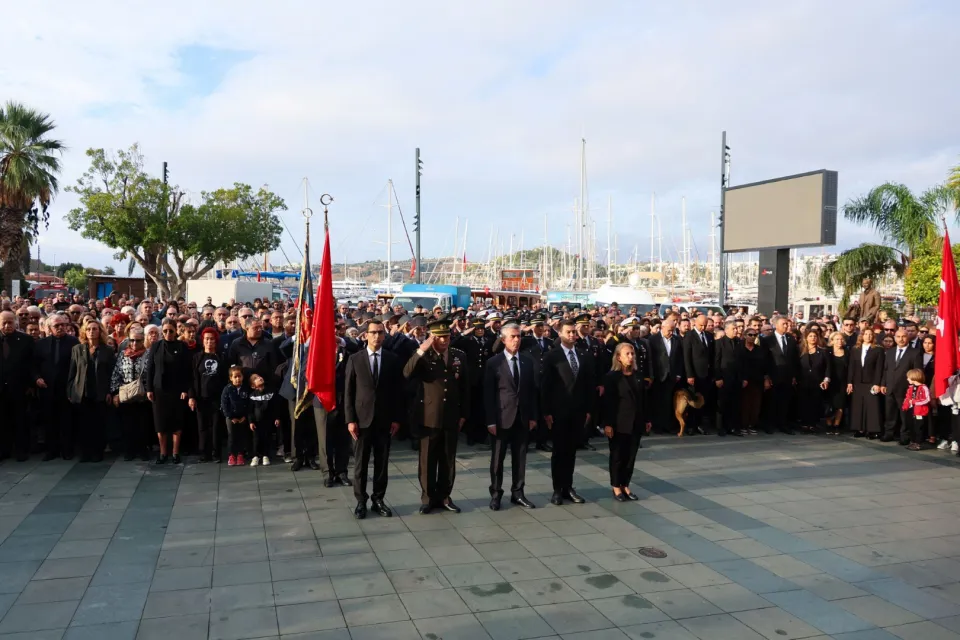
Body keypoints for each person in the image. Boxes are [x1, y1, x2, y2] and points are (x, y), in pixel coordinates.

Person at [403, 316, 469, 514]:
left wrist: (464, 413)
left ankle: (445, 496)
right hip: (429, 417)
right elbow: (407, 372)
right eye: (439, 337)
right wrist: (422, 349)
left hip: (451, 415)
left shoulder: (458, 355)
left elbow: (465, 387)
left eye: (446, 336)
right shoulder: (424, 356)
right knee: (427, 460)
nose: (443, 340)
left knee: (448, 459)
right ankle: (428, 498)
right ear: (432, 337)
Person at [344, 319, 404, 519]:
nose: (377, 336)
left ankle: (378, 499)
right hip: (361, 420)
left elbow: (398, 392)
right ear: (366, 335)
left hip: (384, 420)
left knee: (382, 463)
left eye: (380, 332)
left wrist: (396, 418)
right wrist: (350, 420)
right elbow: (348, 392)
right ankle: (361, 501)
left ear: (384, 335)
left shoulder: (392, 359)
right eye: (373, 332)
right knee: (360, 464)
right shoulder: (355, 359)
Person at [484, 322, 538, 511]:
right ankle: (496, 494)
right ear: (503, 339)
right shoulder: (494, 363)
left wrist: (533, 416)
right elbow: (488, 394)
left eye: (518, 336)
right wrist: (490, 421)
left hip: (522, 417)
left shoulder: (527, 361)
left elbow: (532, 391)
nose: (516, 340)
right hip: (501, 417)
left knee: (520, 458)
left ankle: (518, 492)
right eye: (512, 336)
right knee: (497, 459)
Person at [541, 319, 594, 505]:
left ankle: (568, 487)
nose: (572, 335)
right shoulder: (552, 356)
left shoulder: (583, 355)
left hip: (578, 411)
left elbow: (589, 384)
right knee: (559, 451)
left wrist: (589, 409)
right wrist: (546, 411)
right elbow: (545, 386)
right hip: (558, 412)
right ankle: (557, 489)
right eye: (568, 332)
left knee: (571, 451)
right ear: (560, 333)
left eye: (573, 332)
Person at [603, 342, 650, 501]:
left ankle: (625, 484)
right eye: (627, 354)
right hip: (619, 422)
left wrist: (647, 419)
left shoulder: (638, 375)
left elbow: (644, 399)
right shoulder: (612, 377)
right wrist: (608, 423)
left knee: (630, 457)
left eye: (632, 354)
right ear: (618, 357)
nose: (631, 357)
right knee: (617, 456)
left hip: (636, 421)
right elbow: (608, 402)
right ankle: (616, 486)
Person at [67, 320, 116, 462]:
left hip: (100, 392)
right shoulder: (77, 349)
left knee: (98, 424)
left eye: (94, 329)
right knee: (83, 424)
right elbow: (72, 372)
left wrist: (110, 392)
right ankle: (85, 453)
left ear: (100, 331)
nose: (91, 331)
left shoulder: (107, 350)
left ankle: (97, 452)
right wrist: (70, 391)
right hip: (82, 392)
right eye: (88, 329)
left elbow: (111, 373)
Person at [33, 313, 80, 460]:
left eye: (63, 325)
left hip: (66, 388)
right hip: (47, 387)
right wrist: (37, 378)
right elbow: (34, 365)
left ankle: (67, 450)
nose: (61, 328)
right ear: (49, 328)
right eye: (57, 326)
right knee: (49, 420)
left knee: (66, 420)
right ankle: (51, 450)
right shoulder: (41, 344)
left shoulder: (74, 342)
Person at [145, 318, 192, 464]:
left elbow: (187, 370)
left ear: (176, 331)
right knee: (160, 423)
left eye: (171, 331)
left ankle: (175, 453)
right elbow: (150, 368)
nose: (168, 333)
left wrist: (185, 389)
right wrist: (149, 389)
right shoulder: (156, 346)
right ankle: (163, 453)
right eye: (165, 331)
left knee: (177, 421)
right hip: (159, 390)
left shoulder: (182, 346)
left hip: (177, 390)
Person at [110, 325, 151, 461]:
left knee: (143, 425)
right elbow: (116, 373)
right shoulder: (123, 354)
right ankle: (130, 450)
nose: (134, 343)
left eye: (138, 340)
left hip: (143, 396)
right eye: (132, 340)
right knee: (128, 424)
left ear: (143, 340)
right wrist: (116, 392)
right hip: (126, 395)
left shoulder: (148, 354)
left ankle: (143, 450)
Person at [189, 327, 228, 462]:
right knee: (202, 426)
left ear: (216, 341)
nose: (209, 341)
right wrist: (192, 396)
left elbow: (225, 378)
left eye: (212, 339)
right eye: (207, 339)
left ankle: (216, 453)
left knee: (216, 426)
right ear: (203, 340)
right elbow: (192, 378)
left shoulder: (221, 356)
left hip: (217, 397)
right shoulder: (197, 357)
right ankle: (204, 453)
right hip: (201, 397)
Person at [0, 311, 34, 461]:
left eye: (10, 322)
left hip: (19, 388)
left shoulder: (26, 340)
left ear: (16, 322)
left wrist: (30, 384)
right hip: (1, 388)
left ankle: (21, 450)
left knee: (20, 420)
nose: (7, 325)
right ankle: (4, 450)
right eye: (4, 322)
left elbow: (31, 364)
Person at [881, 328, 922, 444]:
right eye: (898, 337)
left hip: (905, 389)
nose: (901, 339)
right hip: (890, 387)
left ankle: (905, 436)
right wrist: (883, 384)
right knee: (890, 412)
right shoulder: (890, 352)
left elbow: (917, 372)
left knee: (905, 415)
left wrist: (913, 388)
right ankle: (889, 433)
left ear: (908, 337)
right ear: (895, 338)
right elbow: (886, 369)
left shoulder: (915, 352)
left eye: (903, 336)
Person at [761, 316, 799, 435]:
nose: (786, 326)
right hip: (773, 376)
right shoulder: (768, 340)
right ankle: (769, 424)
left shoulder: (791, 339)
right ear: (776, 325)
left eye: (787, 324)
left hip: (787, 376)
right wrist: (766, 376)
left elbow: (794, 359)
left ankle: (783, 424)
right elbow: (764, 359)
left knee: (785, 401)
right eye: (784, 324)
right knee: (771, 401)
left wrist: (793, 375)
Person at [649, 311, 685, 434]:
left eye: (673, 330)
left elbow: (679, 358)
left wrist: (678, 374)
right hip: (658, 375)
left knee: (669, 402)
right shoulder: (653, 340)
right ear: (662, 328)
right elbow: (651, 359)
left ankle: (668, 425)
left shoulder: (676, 340)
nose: (671, 332)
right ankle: (658, 426)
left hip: (672, 376)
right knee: (657, 401)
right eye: (669, 330)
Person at [682, 314, 714, 434]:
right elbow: (687, 357)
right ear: (695, 323)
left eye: (705, 325)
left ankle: (700, 425)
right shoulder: (689, 336)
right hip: (694, 374)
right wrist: (689, 375)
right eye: (701, 325)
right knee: (693, 400)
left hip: (706, 374)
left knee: (703, 400)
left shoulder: (709, 335)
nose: (703, 328)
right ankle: (691, 425)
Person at [714, 320, 743, 436]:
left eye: (736, 328)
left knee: (735, 404)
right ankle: (721, 427)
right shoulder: (719, 343)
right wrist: (718, 377)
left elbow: (742, 361)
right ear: (726, 330)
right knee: (722, 403)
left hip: (736, 378)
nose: (736, 330)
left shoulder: (739, 342)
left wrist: (743, 377)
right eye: (733, 328)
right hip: (724, 378)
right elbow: (716, 361)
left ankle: (732, 427)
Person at [797, 330, 830, 432]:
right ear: (806, 338)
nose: (813, 338)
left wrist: (826, 379)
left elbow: (828, 367)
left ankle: (813, 423)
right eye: (810, 336)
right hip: (803, 381)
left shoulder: (823, 351)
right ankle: (804, 423)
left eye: (815, 336)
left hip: (817, 381)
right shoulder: (800, 350)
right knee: (804, 402)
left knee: (815, 402)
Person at [220, 365, 249, 466]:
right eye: (235, 377)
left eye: (239, 376)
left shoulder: (245, 388)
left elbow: (248, 403)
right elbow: (224, 404)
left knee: (241, 435)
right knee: (232, 436)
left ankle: (240, 454)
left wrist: (245, 416)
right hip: (231, 417)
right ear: (231, 378)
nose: (237, 379)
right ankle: (231, 455)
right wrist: (230, 417)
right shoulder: (227, 389)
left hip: (242, 417)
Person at [247, 373, 278, 466]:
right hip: (256, 422)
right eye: (256, 378)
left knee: (267, 437)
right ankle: (255, 456)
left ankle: (265, 455)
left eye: (259, 376)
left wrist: (277, 418)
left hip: (268, 420)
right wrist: (251, 422)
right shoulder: (252, 396)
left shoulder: (270, 393)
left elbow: (275, 407)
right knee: (256, 439)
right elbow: (250, 410)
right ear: (253, 386)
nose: (259, 378)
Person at [825, 332, 849, 435]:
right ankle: (829, 425)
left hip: (842, 382)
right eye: (837, 339)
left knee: (840, 404)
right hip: (830, 381)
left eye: (841, 339)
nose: (839, 341)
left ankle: (836, 425)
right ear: (832, 341)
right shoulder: (827, 352)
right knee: (829, 403)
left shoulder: (847, 352)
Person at [902, 369, 930, 451]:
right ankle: (912, 441)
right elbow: (908, 397)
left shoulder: (924, 387)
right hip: (911, 410)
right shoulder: (911, 387)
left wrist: (915, 402)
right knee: (911, 426)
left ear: (914, 377)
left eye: (909, 377)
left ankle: (918, 443)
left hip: (920, 411)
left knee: (918, 427)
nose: (907, 379)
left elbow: (927, 399)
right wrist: (906, 404)